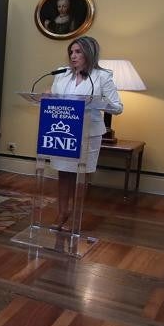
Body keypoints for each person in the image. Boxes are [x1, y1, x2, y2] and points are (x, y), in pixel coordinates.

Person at [49, 36, 123, 229]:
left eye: (78, 52)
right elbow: (56, 98)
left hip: (88, 132)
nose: (73, 56)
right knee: (63, 173)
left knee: (81, 175)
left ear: (89, 53)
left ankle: (75, 216)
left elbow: (117, 107)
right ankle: (62, 213)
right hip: (63, 130)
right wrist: (49, 96)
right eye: (71, 52)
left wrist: (95, 101)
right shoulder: (62, 73)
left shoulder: (102, 76)